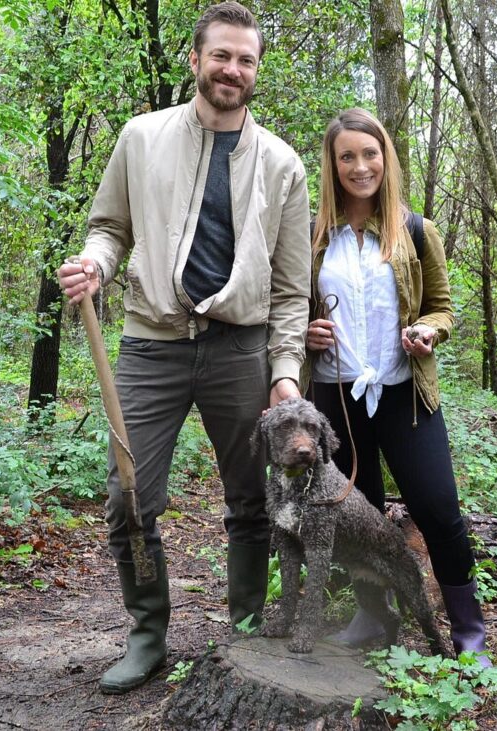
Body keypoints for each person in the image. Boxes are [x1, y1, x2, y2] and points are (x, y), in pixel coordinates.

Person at [57, 1, 311, 695]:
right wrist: (95, 264)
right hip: (151, 344)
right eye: (221, 55)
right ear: (195, 59)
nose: (233, 69)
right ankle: (147, 634)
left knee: (250, 499)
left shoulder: (283, 165)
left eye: (246, 59)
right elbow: (109, 227)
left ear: (257, 69)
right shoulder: (141, 138)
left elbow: (292, 290)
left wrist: (285, 372)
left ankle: (247, 629)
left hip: (241, 349)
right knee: (128, 494)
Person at [305, 108, 491, 667]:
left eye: (370, 154)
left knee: (438, 508)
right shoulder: (315, 238)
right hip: (335, 395)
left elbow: (443, 307)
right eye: (347, 157)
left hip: (406, 394)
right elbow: (292, 307)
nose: (360, 167)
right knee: (357, 514)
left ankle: (469, 633)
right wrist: (305, 331)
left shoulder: (414, 230)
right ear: (333, 166)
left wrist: (429, 331)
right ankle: (374, 616)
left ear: (386, 158)